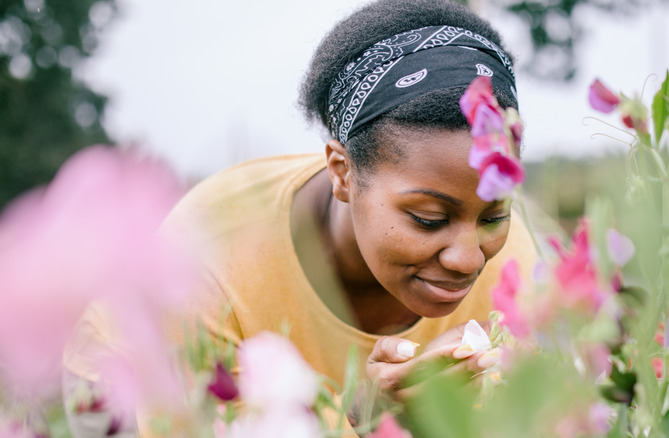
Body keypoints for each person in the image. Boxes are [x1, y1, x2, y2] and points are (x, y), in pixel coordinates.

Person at [63, 0, 536, 435]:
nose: (468, 258)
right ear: (343, 172)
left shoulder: (514, 272)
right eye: (429, 219)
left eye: (494, 217)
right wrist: (362, 421)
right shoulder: (209, 252)